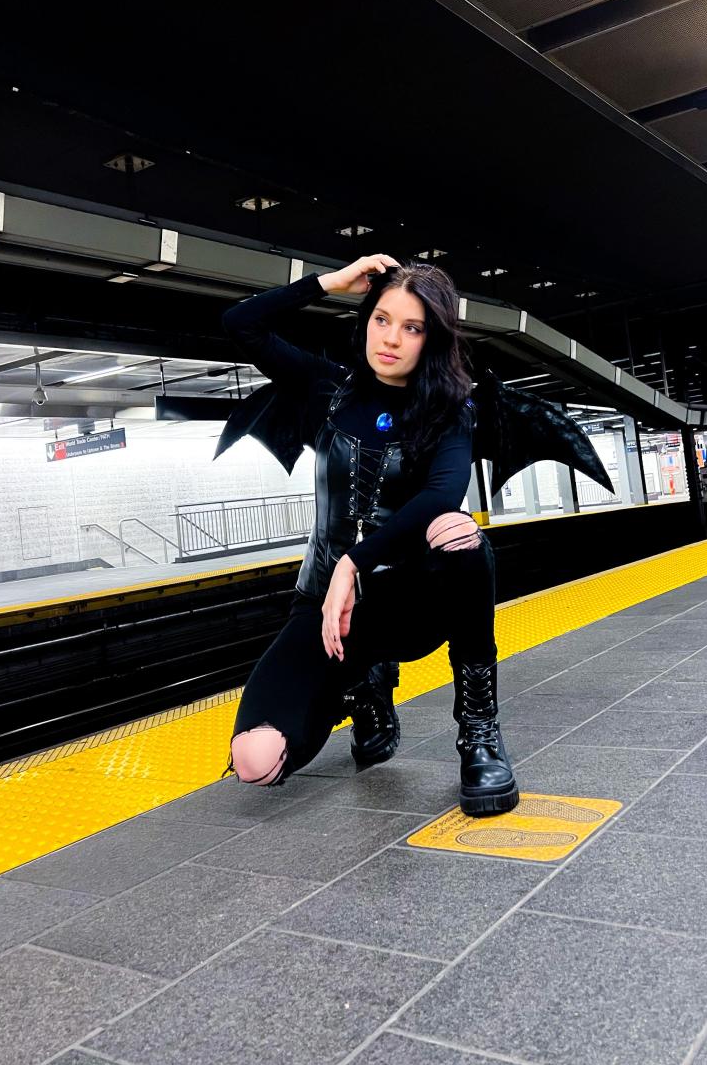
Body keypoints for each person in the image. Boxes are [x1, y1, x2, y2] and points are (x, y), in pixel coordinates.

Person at [221, 254, 518, 816]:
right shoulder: (326, 388)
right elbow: (241, 323)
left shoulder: (451, 409)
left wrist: (352, 564)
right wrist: (327, 283)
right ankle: (363, 684)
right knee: (255, 759)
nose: (391, 339)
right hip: (326, 609)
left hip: (410, 602)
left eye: (412, 327)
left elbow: (439, 497)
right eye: (382, 319)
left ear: (433, 338)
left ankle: (479, 731)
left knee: (461, 536)